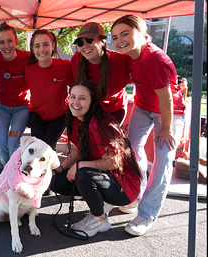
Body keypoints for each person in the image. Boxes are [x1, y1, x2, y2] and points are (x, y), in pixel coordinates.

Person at [111, 14, 186, 236]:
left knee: (163, 162)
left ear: (144, 34)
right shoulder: (129, 55)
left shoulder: (154, 58)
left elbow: (167, 99)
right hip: (143, 108)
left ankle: (147, 214)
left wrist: (165, 128)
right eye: (115, 37)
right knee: (131, 151)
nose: (119, 40)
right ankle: (135, 193)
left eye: (125, 34)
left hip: (168, 113)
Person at [50, 80, 141, 237]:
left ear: (92, 102)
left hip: (124, 186)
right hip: (104, 176)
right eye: (72, 97)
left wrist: (80, 166)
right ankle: (99, 201)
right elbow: (77, 151)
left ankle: (99, 219)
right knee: (56, 181)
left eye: (82, 98)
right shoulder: (76, 120)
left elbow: (115, 162)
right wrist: (59, 168)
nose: (75, 102)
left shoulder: (100, 124)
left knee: (82, 173)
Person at [0, 22, 30, 166]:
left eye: (10, 41)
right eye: (2, 42)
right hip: (1, 107)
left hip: (21, 107)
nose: (6, 46)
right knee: (0, 144)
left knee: (12, 143)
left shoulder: (27, 57)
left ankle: (16, 170)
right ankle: (7, 171)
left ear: (16, 41)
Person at [71, 22, 131, 125]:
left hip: (113, 111)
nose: (84, 46)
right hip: (88, 110)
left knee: (106, 140)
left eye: (89, 40)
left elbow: (143, 81)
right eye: (80, 43)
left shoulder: (121, 61)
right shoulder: (76, 60)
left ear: (102, 40)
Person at [25, 29, 73, 150]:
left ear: (53, 46)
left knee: (48, 148)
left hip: (59, 116)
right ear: (32, 49)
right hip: (37, 116)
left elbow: (79, 86)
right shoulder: (28, 69)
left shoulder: (65, 66)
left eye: (46, 44)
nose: (42, 49)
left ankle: (52, 169)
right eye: (37, 46)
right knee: (36, 148)